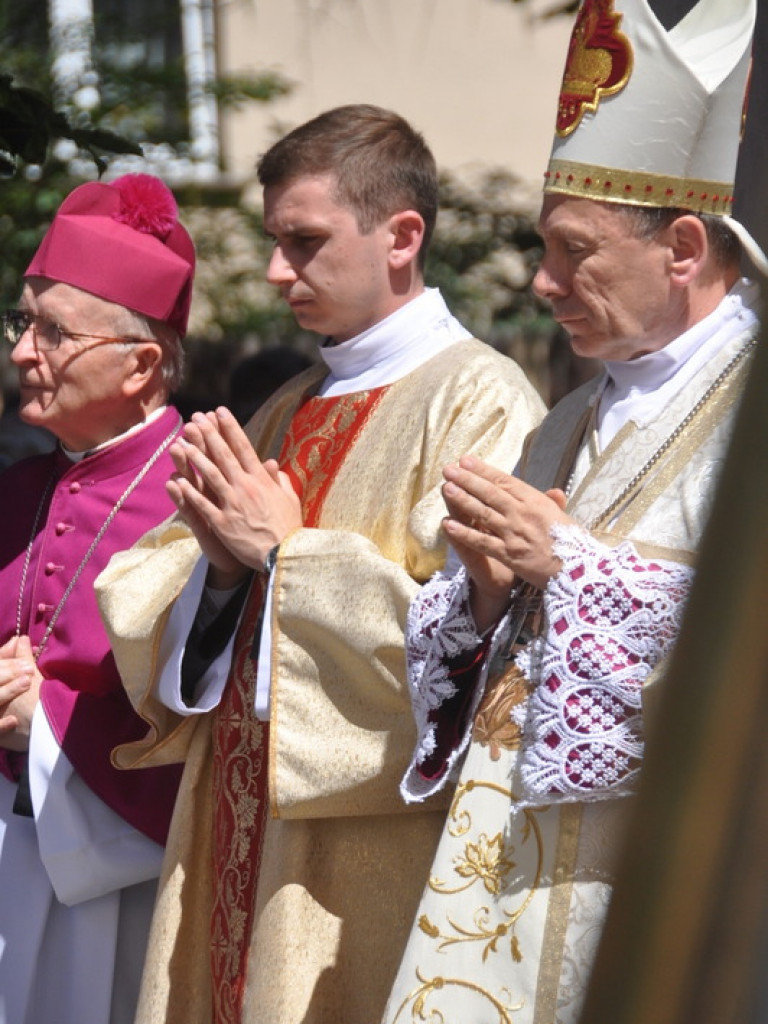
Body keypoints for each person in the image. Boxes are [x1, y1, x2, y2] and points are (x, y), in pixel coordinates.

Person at [94, 104, 545, 1024]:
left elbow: (476, 659)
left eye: (303, 241)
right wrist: (219, 578)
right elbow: (171, 605)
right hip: (233, 826)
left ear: (401, 236)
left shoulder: (480, 401)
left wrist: (284, 557)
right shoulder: (286, 406)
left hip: (359, 868)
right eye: (273, 241)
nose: (275, 271)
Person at [383, 1, 764, 1022]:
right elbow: (493, 651)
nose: (544, 283)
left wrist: (575, 566)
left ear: (682, 246)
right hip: (497, 893)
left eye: (576, 251)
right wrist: (485, 592)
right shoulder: (563, 422)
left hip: (669, 892)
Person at [0, 173, 195, 1024]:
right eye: (20, 322)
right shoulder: (16, 490)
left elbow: (215, 717)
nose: (19, 352)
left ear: (141, 363)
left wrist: (43, 720)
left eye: (51, 331)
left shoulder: (204, 496)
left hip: (121, 874)